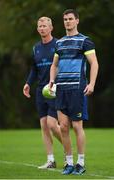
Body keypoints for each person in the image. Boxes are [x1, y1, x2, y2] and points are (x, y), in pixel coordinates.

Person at [49, 9, 99, 175]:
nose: (67, 22)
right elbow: (54, 65)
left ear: (77, 20)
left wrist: (91, 83)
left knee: (77, 126)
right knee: (63, 127)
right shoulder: (59, 43)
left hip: (77, 89)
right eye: (65, 19)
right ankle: (69, 163)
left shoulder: (85, 41)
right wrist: (51, 81)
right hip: (61, 89)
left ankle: (80, 163)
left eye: (70, 19)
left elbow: (94, 63)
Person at [23, 16, 62, 169]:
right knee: (44, 125)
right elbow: (34, 69)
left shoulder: (58, 44)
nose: (42, 28)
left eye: (45, 26)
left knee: (53, 124)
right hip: (40, 91)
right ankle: (51, 160)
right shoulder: (36, 48)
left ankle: (67, 149)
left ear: (51, 28)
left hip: (55, 89)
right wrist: (27, 83)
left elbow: (63, 65)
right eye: (40, 26)